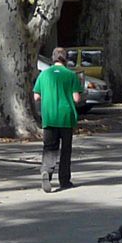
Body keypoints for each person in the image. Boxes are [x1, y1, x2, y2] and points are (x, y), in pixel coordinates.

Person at [32, 47, 84, 192]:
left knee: (49, 148)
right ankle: (64, 180)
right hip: (66, 117)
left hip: (49, 117)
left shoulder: (44, 75)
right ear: (65, 59)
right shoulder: (71, 75)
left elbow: (36, 97)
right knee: (66, 150)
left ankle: (46, 173)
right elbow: (76, 98)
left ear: (53, 58)